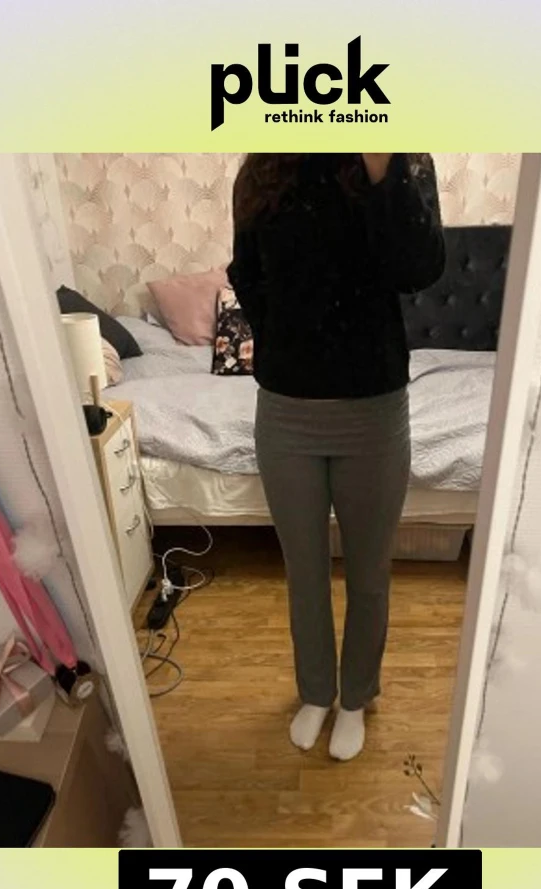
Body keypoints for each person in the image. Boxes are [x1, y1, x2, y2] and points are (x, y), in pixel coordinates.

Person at [228, 153, 445, 761]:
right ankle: (317, 693)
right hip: (285, 411)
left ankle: (356, 697)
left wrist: (383, 170)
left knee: (369, 574)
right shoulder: (264, 167)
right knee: (304, 574)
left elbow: (420, 268)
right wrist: (283, 343)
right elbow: (246, 271)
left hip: (372, 410)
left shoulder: (403, 161)